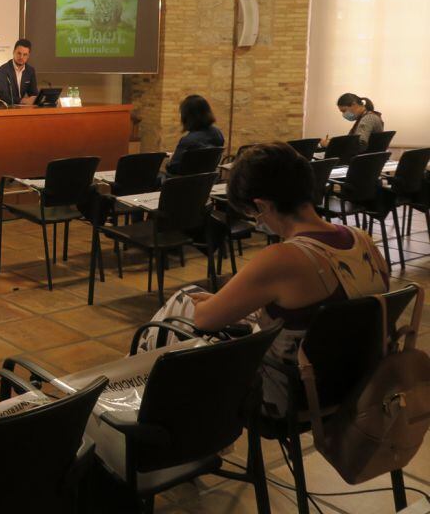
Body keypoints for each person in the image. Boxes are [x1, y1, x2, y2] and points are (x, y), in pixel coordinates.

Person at [151, 142, 389, 414]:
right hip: (353, 383)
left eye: (253, 215)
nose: (256, 222)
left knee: (181, 306)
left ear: (262, 205)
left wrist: (212, 304)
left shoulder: (282, 258)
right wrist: (225, 301)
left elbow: (205, 319)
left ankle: (145, 407)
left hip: (288, 394)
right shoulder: (363, 240)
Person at [166, 94, 224, 175]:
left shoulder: (188, 141)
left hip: (182, 184)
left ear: (187, 116)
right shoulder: (218, 133)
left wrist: (171, 159)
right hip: (206, 182)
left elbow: (172, 169)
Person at [0, 38, 38, 106]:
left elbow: (34, 93)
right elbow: (3, 96)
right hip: (6, 109)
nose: (21, 57)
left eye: (25, 54)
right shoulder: (2, 71)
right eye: (19, 53)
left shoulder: (30, 71)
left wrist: (35, 98)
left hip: (23, 109)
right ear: (13, 52)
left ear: (28, 56)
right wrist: (22, 100)